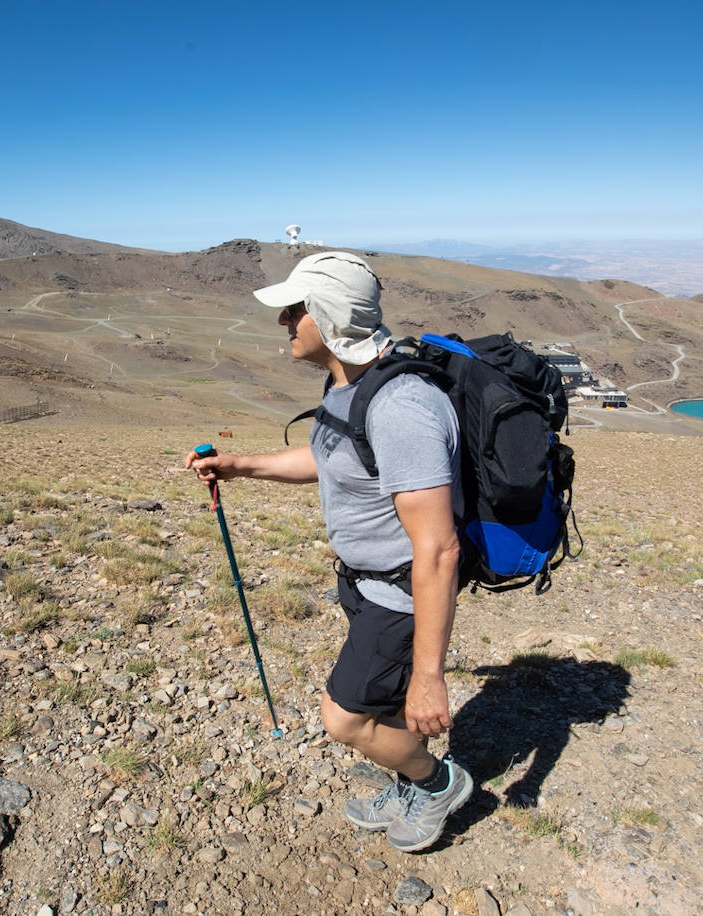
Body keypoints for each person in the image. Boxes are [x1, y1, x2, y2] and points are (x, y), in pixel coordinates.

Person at [186, 250, 473, 853]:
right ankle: (410, 775)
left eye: (296, 309)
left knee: (345, 718)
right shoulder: (348, 383)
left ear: (331, 315)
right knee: (379, 704)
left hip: (400, 593)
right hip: (364, 581)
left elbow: (439, 549)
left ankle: (437, 782)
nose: (284, 322)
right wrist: (241, 465)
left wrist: (429, 676)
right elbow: (334, 456)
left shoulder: (401, 407)